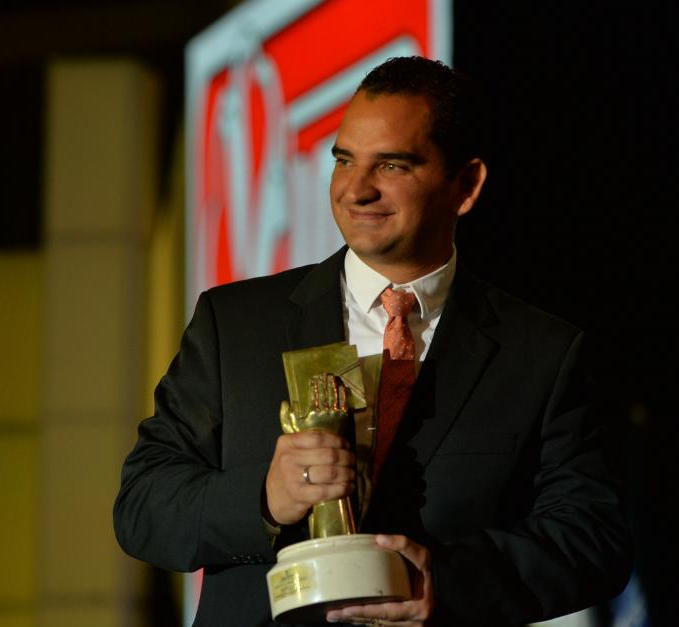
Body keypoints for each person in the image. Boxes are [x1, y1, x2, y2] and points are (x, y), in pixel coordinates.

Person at [113, 56, 632, 626]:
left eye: (391, 165)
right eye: (344, 161)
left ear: (466, 185)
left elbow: (594, 537)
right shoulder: (235, 323)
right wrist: (264, 498)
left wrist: (447, 583)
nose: (356, 190)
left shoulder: (541, 352)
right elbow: (142, 507)